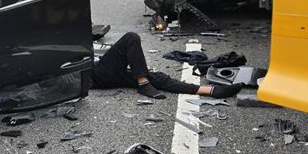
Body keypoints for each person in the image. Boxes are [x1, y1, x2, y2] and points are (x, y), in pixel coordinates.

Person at [91, 32, 243, 99]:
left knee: (157, 77)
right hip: (95, 74)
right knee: (131, 38)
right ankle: (143, 82)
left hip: (100, 70)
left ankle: (211, 91)